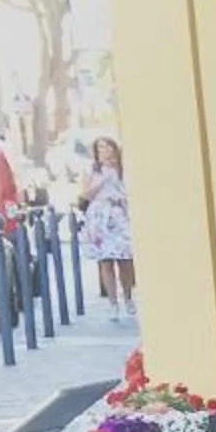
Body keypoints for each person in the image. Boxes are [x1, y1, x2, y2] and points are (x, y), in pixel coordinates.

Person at [81, 134, 135, 323]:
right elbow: (86, 194)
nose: (104, 151)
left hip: (120, 215)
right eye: (100, 148)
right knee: (106, 262)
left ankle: (128, 297)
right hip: (100, 217)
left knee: (125, 260)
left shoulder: (123, 168)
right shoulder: (92, 170)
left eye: (107, 147)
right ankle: (113, 303)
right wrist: (102, 180)